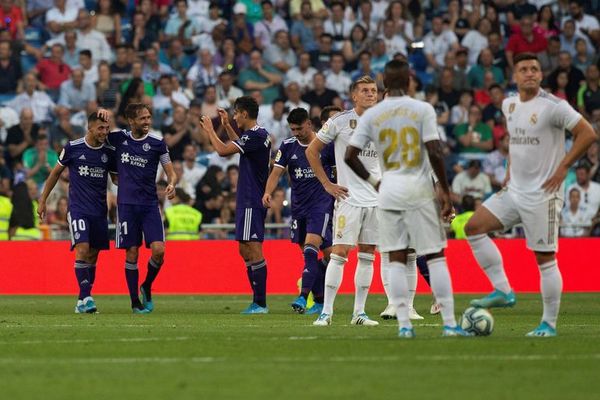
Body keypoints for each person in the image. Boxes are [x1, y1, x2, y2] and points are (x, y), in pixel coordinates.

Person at [463, 53, 597, 337]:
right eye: (523, 69)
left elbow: (588, 133)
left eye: (534, 69)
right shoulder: (509, 104)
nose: (530, 73)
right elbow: (515, 141)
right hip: (514, 190)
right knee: (473, 228)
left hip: (543, 195)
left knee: (544, 258)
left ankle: (548, 324)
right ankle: (503, 290)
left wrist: (563, 167)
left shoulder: (554, 107)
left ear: (540, 74)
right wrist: (510, 171)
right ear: (514, 75)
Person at [345, 59, 470, 338]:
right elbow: (435, 151)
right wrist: (445, 193)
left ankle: (404, 325)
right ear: (410, 81)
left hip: (389, 190)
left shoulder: (372, 116)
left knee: (397, 258)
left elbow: (350, 156)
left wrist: (374, 182)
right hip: (417, 188)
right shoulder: (421, 109)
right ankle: (449, 323)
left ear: (384, 84)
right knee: (435, 256)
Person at [306, 75, 383, 327]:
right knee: (339, 253)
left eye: (373, 90)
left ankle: (359, 313)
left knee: (368, 254)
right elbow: (311, 150)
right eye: (365, 90)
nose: (371, 94)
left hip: (376, 200)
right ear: (354, 96)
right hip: (349, 199)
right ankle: (326, 312)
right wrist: (327, 184)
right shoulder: (340, 121)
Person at [199, 97, 271, 314]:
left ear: (245, 114)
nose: (234, 116)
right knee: (244, 248)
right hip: (246, 199)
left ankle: (260, 303)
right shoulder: (256, 135)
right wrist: (227, 126)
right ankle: (257, 301)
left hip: (251, 198)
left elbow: (222, 151)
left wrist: (211, 131)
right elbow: (240, 144)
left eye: (236, 114)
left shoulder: (256, 135)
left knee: (253, 247)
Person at [37, 112, 114, 314]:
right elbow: (55, 173)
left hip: (99, 211)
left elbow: (116, 179)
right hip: (78, 208)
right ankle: (87, 297)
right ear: (89, 127)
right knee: (82, 248)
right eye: (100, 128)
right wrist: (43, 199)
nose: (104, 132)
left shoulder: (109, 151)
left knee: (94, 255)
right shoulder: (73, 147)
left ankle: (82, 299)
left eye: (107, 129)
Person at [104, 104, 177, 314]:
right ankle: (135, 301)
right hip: (126, 206)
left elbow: (170, 171)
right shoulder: (118, 139)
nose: (147, 122)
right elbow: (97, 134)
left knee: (159, 250)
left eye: (148, 118)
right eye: (142, 118)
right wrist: (103, 114)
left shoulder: (157, 143)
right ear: (131, 121)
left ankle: (146, 285)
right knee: (132, 252)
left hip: (149, 205)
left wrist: (171, 183)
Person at [262, 108, 334, 315]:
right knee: (322, 257)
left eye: (299, 128)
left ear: (309, 124)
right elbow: (276, 173)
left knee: (311, 248)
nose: (296, 133)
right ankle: (319, 301)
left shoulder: (325, 145)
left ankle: (303, 297)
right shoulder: (287, 146)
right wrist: (268, 192)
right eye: (292, 129)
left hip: (321, 205)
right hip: (299, 207)